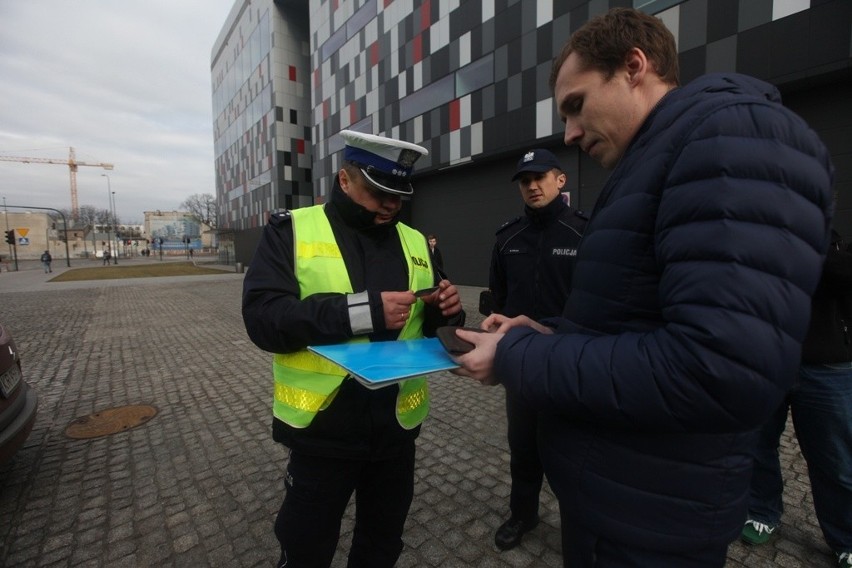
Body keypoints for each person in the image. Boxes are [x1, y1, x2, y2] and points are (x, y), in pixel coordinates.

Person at [452, 7, 833, 567]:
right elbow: (639, 320)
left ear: (635, 66)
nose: (570, 133)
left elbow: (718, 371)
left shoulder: (730, 139)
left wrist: (521, 355)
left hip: (654, 522)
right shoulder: (659, 158)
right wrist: (547, 330)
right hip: (618, 499)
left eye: (577, 105)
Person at [242, 129, 465, 568]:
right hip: (322, 431)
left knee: (382, 545)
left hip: (396, 432)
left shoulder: (416, 241)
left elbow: (430, 324)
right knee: (306, 548)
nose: (390, 205)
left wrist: (448, 314)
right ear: (345, 180)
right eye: (379, 192)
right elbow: (264, 319)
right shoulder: (291, 231)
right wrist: (363, 313)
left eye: (399, 195)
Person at [489, 148, 587, 551]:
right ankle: (523, 514)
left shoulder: (585, 233)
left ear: (560, 180)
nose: (531, 186)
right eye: (524, 181)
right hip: (522, 365)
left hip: (570, 363)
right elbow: (497, 298)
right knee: (523, 448)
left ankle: (581, 525)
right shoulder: (507, 237)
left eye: (539, 177)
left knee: (573, 452)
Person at [742, 229, 852, 566]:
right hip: (769, 362)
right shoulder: (765, 237)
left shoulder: (831, 241)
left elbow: (843, 276)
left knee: (835, 460)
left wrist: (803, 250)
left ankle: (845, 536)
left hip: (827, 367)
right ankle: (762, 511)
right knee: (759, 445)